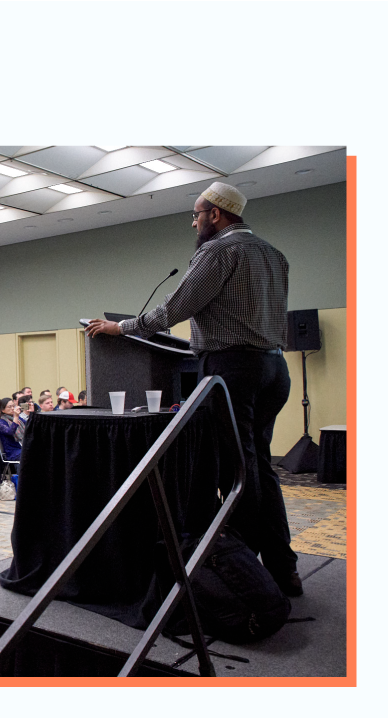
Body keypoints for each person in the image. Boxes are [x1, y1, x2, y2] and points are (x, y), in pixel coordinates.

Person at [84, 181, 301, 596]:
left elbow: (176, 308)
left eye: (197, 214)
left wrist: (120, 327)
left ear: (215, 215)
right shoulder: (275, 254)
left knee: (241, 470)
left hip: (231, 369)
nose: (194, 222)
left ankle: (245, 577)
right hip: (273, 367)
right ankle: (282, 568)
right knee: (259, 467)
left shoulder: (219, 250)